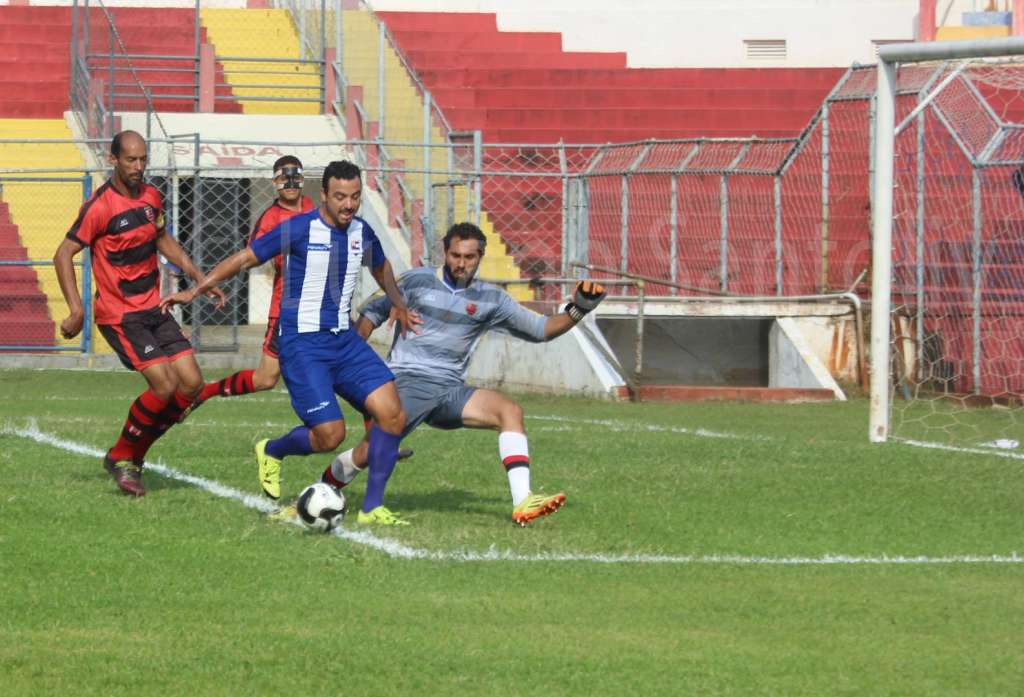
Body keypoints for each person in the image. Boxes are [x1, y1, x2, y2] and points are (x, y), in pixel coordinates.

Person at [161, 160, 419, 526]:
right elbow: (246, 258)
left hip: (344, 341)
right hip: (301, 344)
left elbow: (381, 266)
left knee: (393, 416)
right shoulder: (297, 228)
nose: (349, 205)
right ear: (324, 196)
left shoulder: (361, 231)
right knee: (330, 435)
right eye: (341, 197)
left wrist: (398, 302)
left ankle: (372, 508)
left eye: (355, 197)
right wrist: (195, 289)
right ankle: (272, 449)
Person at [320, 222, 607, 526]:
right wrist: (354, 367)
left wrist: (579, 309)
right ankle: (319, 493)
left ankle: (522, 501)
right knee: (366, 452)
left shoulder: (491, 300)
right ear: (445, 252)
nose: (461, 263)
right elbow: (371, 315)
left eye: (469, 257)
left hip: (450, 391)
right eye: (455, 255)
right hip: (409, 382)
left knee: (509, 411)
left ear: (481, 257)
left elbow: (540, 330)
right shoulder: (415, 281)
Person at [53, 129, 225, 497]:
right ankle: (122, 456)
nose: (138, 166)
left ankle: (130, 454)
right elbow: (63, 254)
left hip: (153, 307)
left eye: (143, 159)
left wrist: (199, 278)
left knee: (192, 384)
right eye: (130, 159)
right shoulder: (100, 207)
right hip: (120, 314)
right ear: (113, 160)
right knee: (164, 385)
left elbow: (162, 239)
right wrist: (76, 309)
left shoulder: (151, 196)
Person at [192, 155, 315, 407]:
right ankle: (205, 392)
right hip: (286, 309)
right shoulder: (270, 218)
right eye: (284, 178)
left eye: (296, 177)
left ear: (303, 179)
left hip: (319, 307)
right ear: (274, 182)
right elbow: (248, 258)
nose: (290, 183)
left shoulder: (315, 208)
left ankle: (379, 436)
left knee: (339, 369)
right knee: (266, 379)